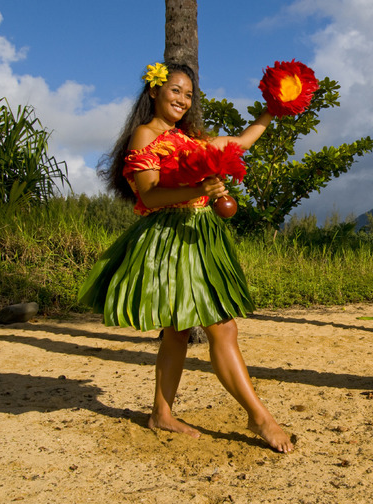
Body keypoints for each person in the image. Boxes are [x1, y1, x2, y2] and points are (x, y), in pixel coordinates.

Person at [79, 62, 293, 453]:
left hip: (201, 234)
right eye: (175, 90)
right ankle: (260, 417)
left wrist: (272, 110)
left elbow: (241, 142)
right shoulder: (145, 135)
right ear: (154, 92)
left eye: (188, 94)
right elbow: (150, 196)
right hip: (171, 236)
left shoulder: (189, 138)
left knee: (178, 329)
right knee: (222, 328)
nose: (182, 99)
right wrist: (198, 186)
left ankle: (162, 412)